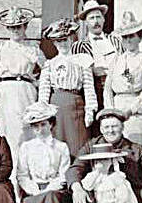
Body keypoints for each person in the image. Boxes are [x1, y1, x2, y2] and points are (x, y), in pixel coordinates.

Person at [0, 6, 46, 200]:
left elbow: (48, 71)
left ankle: (31, 189)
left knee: (29, 136)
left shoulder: (33, 49)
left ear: (25, 27)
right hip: (7, 92)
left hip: (27, 90)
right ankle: (12, 191)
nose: (16, 31)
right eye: (12, 28)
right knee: (11, 138)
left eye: (19, 26)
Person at [17, 102, 79, 203]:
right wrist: (33, 189)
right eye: (35, 126)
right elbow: (22, 174)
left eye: (43, 124)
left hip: (55, 188)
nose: (40, 129)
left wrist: (51, 187)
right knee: (36, 200)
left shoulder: (61, 147)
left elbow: (64, 174)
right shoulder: (26, 147)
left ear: (51, 124)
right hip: (33, 189)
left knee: (51, 198)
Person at [39, 18, 98, 157]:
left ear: (71, 39)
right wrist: (43, 111)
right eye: (59, 41)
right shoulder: (50, 64)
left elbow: (89, 87)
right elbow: (44, 89)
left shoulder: (82, 60)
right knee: (56, 144)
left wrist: (90, 110)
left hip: (75, 105)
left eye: (65, 39)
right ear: (54, 43)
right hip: (56, 106)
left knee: (77, 143)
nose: (62, 44)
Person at [104, 11, 142, 158]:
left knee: (141, 150)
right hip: (117, 109)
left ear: (139, 37)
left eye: (131, 36)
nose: (128, 40)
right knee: (119, 152)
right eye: (125, 37)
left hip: (138, 111)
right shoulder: (116, 60)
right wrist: (111, 111)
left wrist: (130, 111)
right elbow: (108, 88)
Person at [71, 0, 124, 135]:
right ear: (86, 22)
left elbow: (126, 64)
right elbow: (81, 74)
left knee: (118, 124)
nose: (96, 21)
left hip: (117, 88)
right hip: (95, 89)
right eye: (92, 18)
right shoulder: (80, 46)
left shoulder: (115, 41)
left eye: (98, 17)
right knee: (99, 127)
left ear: (104, 19)